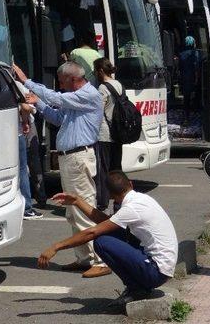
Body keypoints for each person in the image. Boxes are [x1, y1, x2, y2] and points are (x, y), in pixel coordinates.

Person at [14, 61, 111, 278]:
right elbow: (58, 117)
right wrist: (38, 103)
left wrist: (26, 81)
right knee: (73, 212)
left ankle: (101, 260)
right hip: (70, 159)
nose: (60, 84)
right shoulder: (76, 99)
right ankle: (84, 258)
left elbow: (56, 98)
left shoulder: (88, 95)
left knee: (84, 210)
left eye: (61, 80)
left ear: (72, 79)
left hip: (79, 157)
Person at [38, 171, 178, 305]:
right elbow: (106, 222)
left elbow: (92, 233)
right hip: (163, 268)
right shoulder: (141, 199)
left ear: (110, 195)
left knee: (101, 241)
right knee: (112, 233)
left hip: (156, 272)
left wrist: (56, 247)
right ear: (130, 184)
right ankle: (138, 286)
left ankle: (136, 288)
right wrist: (77, 201)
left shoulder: (131, 208)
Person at [94, 57, 125, 212]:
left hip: (105, 133)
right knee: (116, 169)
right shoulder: (119, 84)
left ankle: (102, 203)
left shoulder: (102, 88)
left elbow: (98, 113)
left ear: (100, 71)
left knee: (103, 170)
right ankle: (119, 202)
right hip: (118, 132)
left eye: (95, 70)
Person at [177, 36, 201, 122]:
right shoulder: (196, 53)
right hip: (193, 77)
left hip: (184, 78)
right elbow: (197, 68)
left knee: (186, 98)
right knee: (195, 96)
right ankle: (194, 114)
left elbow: (179, 68)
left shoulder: (181, 54)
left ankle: (186, 116)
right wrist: (197, 79)